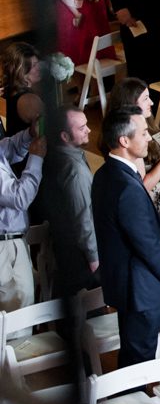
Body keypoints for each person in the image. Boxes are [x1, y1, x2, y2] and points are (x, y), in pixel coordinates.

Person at [93, 107, 160, 369]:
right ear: (124, 141)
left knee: (133, 356)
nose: (149, 138)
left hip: (125, 285)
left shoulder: (105, 174)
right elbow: (147, 245)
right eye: (143, 133)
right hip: (140, 290)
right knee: (138, 365)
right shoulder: (126, 187)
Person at [107, 78, 160, 261]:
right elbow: (142, 186)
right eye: (146, 98)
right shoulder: (130, 137)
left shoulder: (144, 125)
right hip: (152, 205)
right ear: (131, 102)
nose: (151, 102)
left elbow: (154, 153)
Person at [39, 107, 98, 297]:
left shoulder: (57, 156)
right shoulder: (74, 172)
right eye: (82, 128)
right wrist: (94, 257)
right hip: (78, 257)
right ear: (65, 136)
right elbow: (83, 218)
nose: (88, 130)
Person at [0, 117, 45, 327]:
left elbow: (7, 149)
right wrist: (36, 158)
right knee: (15, 318)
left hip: (11, 242)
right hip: (4, 248)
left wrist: (29, 134)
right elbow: (20, 197)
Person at [0, 42, 42, 138]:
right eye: (35, 65)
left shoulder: (11, 89)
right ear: (22, 72)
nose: (39, 68)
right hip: (28, 150)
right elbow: (43, 132)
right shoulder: (29, 100)